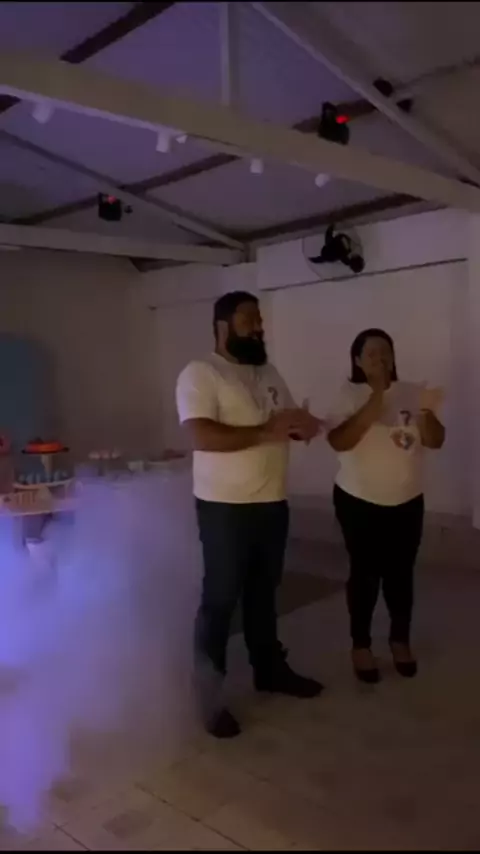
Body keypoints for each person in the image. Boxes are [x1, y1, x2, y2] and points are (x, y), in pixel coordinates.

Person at [176, 291, 324, 738]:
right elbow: (201, 436)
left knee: (264, 591)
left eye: (259, 320)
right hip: (225, 507)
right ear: (223, 326)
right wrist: (266, 431)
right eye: (249, 320)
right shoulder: (201, 372)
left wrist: (304, 426)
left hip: (271, 501)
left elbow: (285, 420)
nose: (259, 327)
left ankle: (269, 669)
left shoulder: (268, 371)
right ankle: (208, 695)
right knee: (221, 599)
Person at [327, 329, 445, 684]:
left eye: (385, 352)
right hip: (358, 500)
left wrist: (427, 411)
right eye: (371, 353)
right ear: (358, 361)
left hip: (407, 501)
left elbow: (435, 440)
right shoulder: (348, 394)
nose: (380, 359)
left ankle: (399, 640)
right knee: (365, 574)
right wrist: (377, 395)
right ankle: (361, 645)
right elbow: (340, 441)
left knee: (401, 574)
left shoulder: (412, 391)